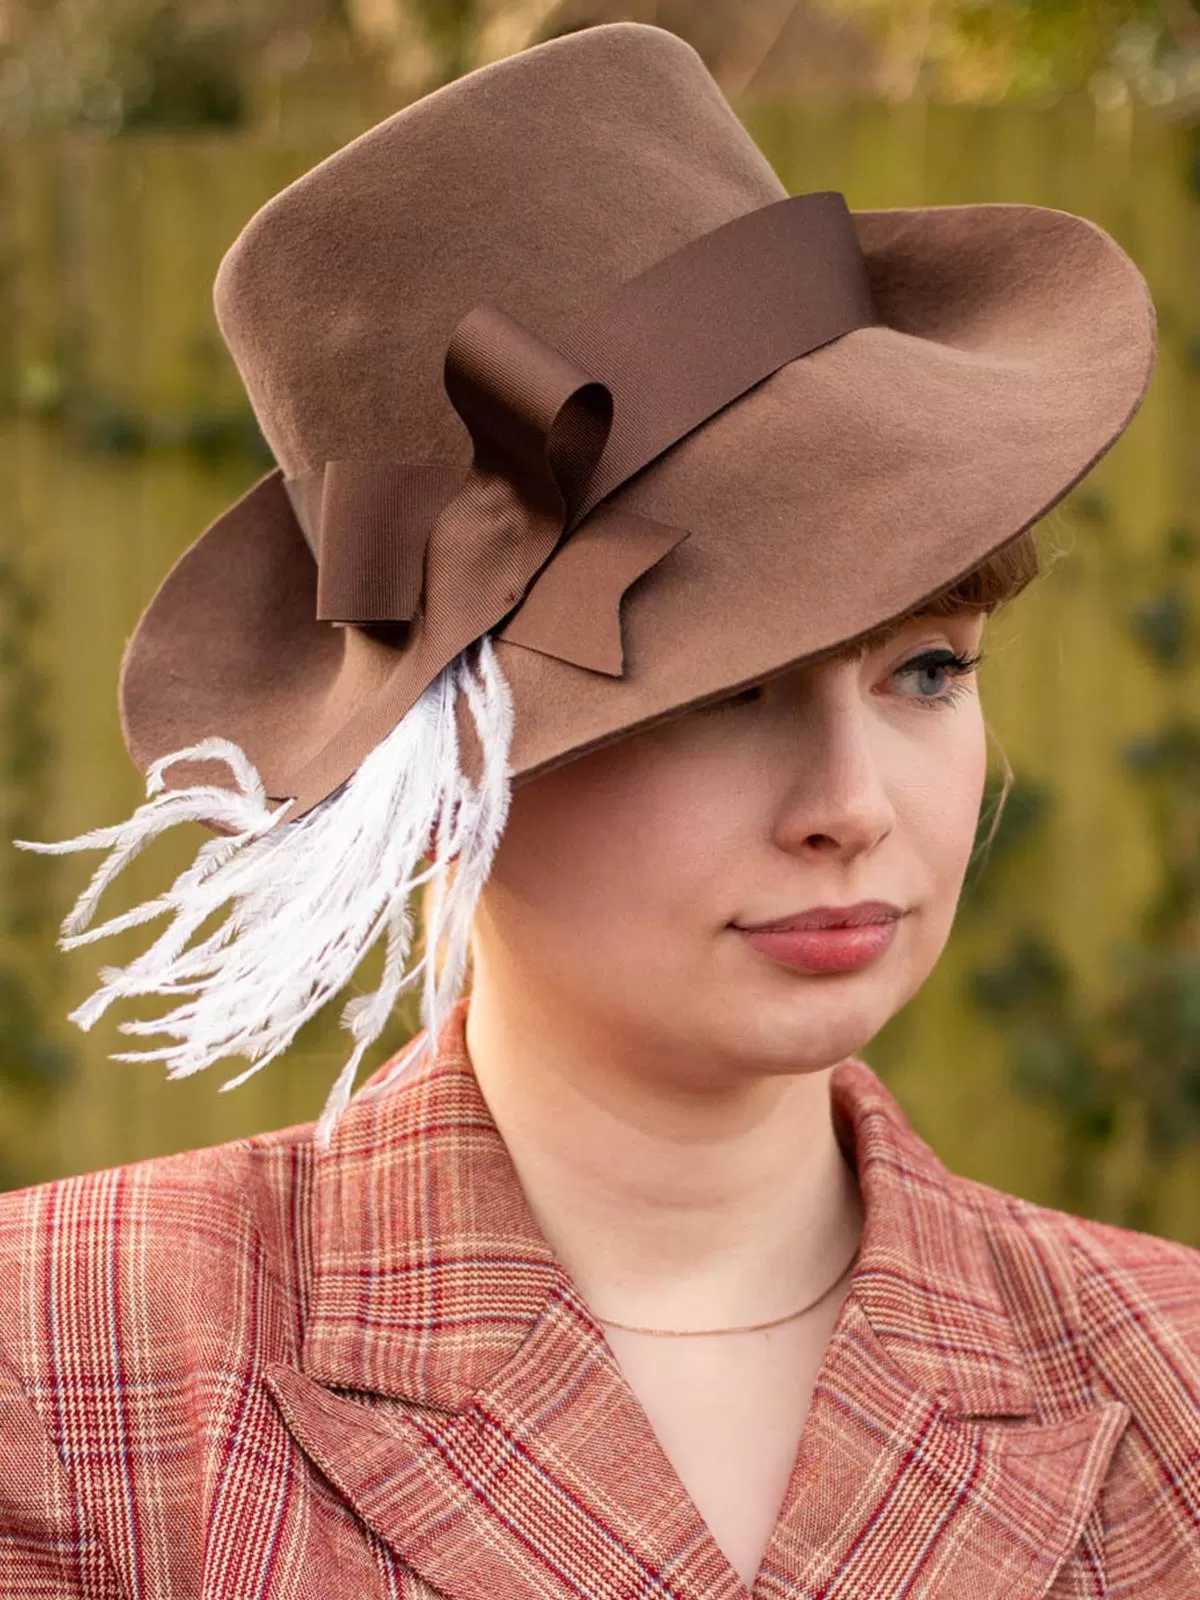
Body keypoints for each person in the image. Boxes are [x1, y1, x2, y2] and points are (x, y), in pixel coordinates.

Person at [1, 19, 1197, 1599]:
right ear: (440, 768)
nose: (852, 806)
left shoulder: (1168, 1379)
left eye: (925, 671)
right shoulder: (66, 1372)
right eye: (713, 697)